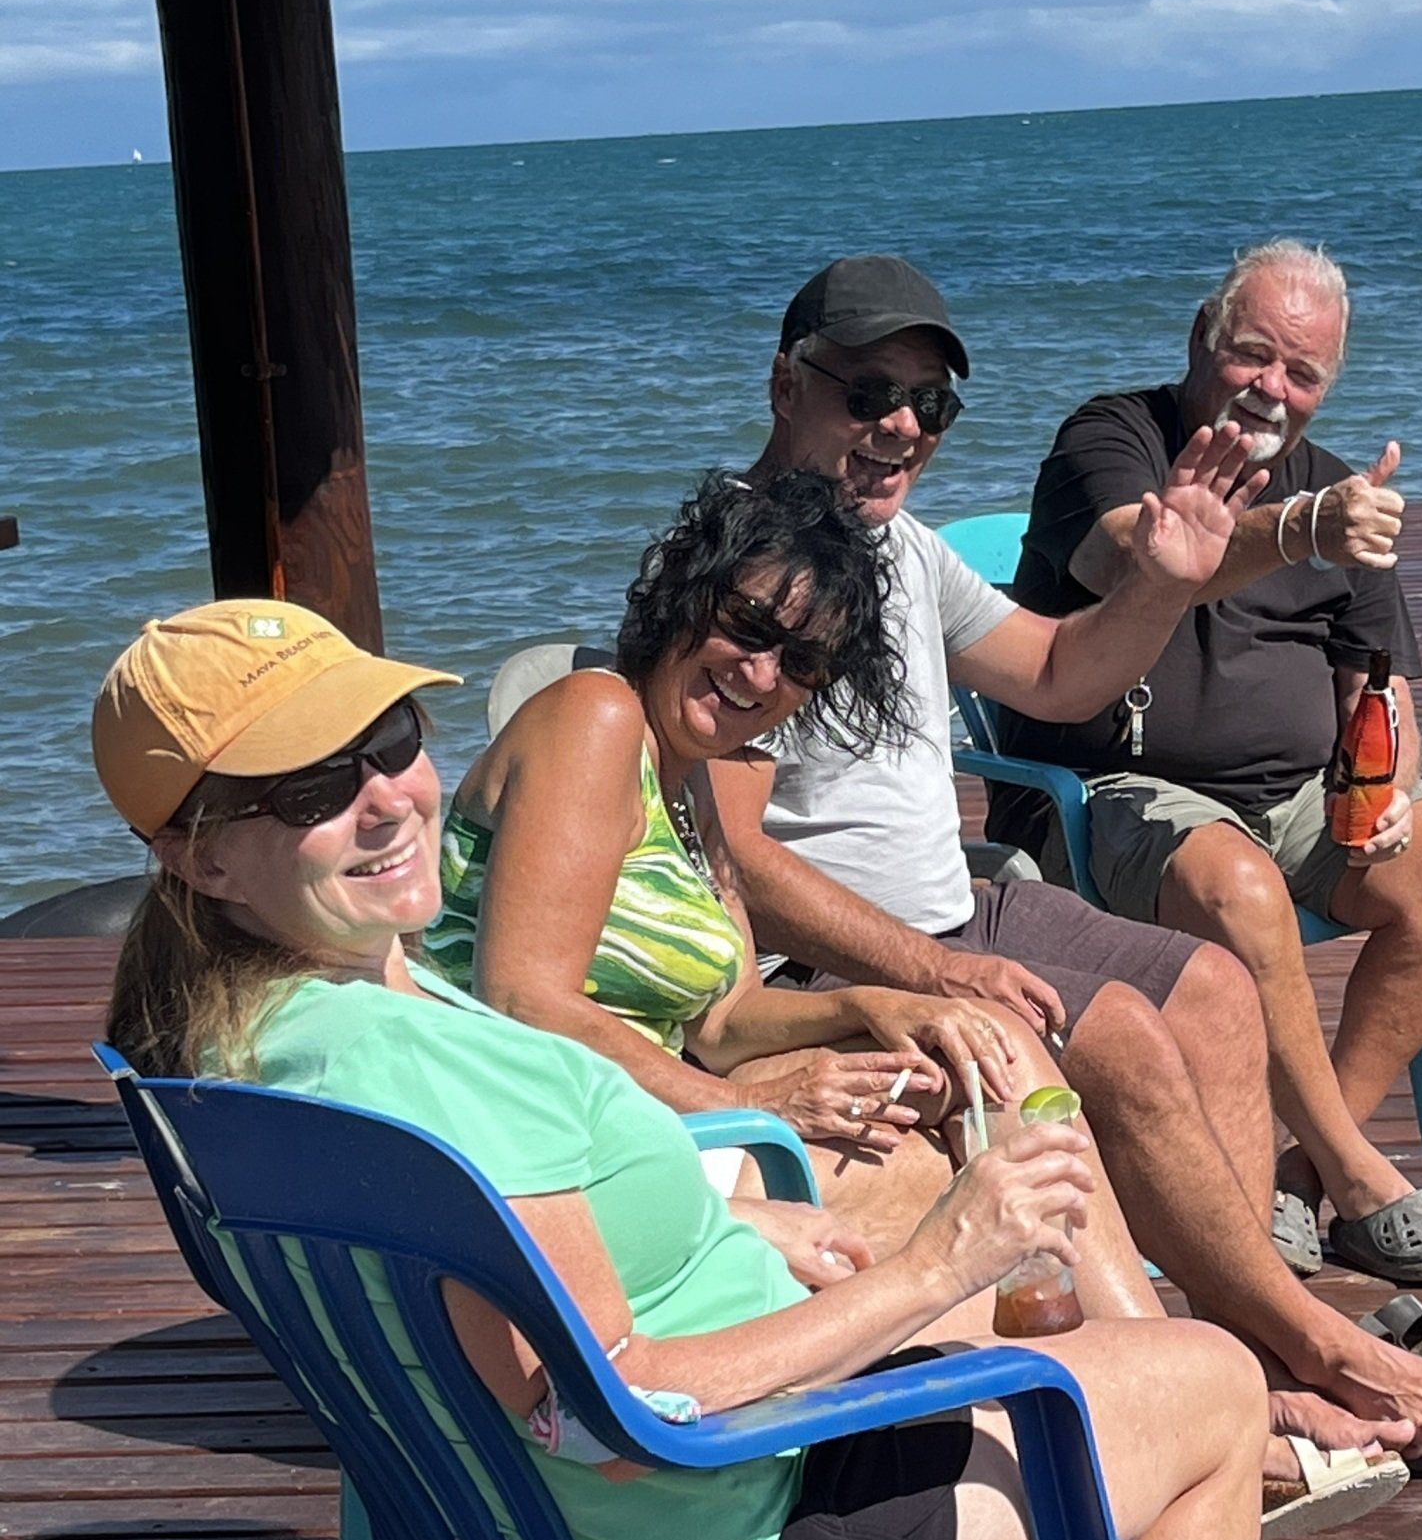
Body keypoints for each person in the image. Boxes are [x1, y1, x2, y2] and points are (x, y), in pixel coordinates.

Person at [92, 595, 1351, 1540]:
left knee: (962, 1312)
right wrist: (948, 1252)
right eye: (309, 789)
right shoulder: (411, 1072)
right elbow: (607, 1408)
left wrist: (749, 1230)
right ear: (195, 851)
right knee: (1205, 1388)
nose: (385, 796)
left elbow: (531, 1293)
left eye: (393, 742)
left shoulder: (254, 1045)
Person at [705, 256, 1422, 1472]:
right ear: (784, 382)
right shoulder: (736, 573)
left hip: (954, 908)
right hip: (833, 957)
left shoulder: (901, 549)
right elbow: (734, 856)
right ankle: (1295, 1358)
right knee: (1128, 1031)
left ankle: (1249, 1353)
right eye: (868, 391)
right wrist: (928, 968)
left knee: (1215, 988)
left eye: (932, 404)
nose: (902, 428)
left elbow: (1060, 672)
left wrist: (1167, 581)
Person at [429, 466, 1165, 1296]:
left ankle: (1142, 1362)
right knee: (947, 1184)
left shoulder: (690, 781)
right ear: (685, 592)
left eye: (803, 660)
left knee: (985, 1046)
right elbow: (524, 1001)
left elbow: (723, 1018)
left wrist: (876, 1005)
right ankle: (1145, 1378)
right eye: (748, 625)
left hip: (629, 1114)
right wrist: (761, 1110)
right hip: (542, 1154)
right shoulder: (595, 720)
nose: (760, 672)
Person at [993, 238, 1422, 1286]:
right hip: (1110, 797)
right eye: (1252, 355)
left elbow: (1379, 685)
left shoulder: (1342, 497)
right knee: (1238, 883)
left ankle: (1303, 1178)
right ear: (1200, 339)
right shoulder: (1111, 437)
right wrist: (1306, 527)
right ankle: (1364, 1181)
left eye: (1303, 371)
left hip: (1298, 798)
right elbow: (1132, 558)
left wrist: (1392, 789)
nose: (1272, 386)